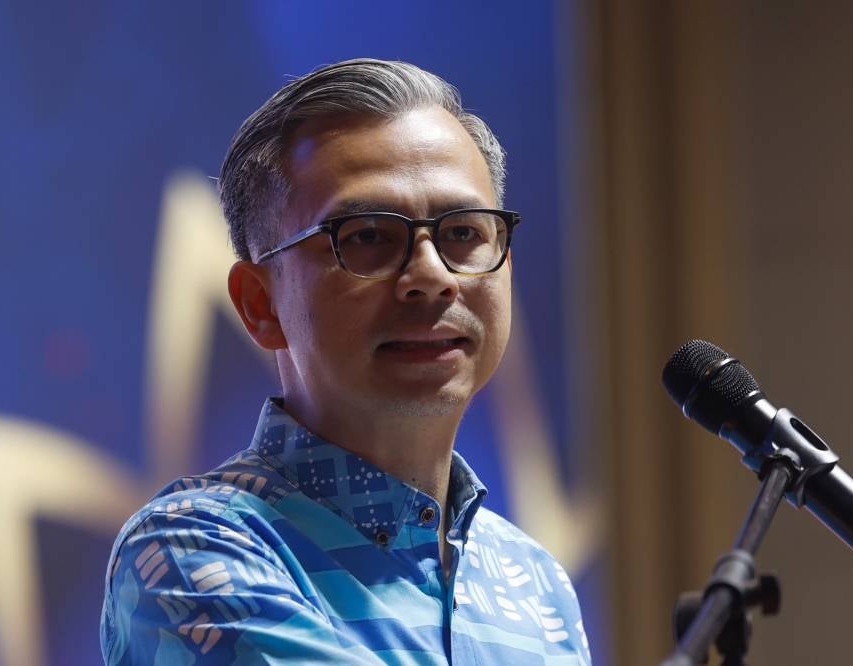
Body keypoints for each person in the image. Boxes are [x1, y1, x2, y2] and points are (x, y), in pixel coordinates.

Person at [100, 58, 590, 665]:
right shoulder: (195, 548)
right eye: (366, 236)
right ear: (260, 304)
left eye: (464, 232)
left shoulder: (535, 581)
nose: (433, 277)